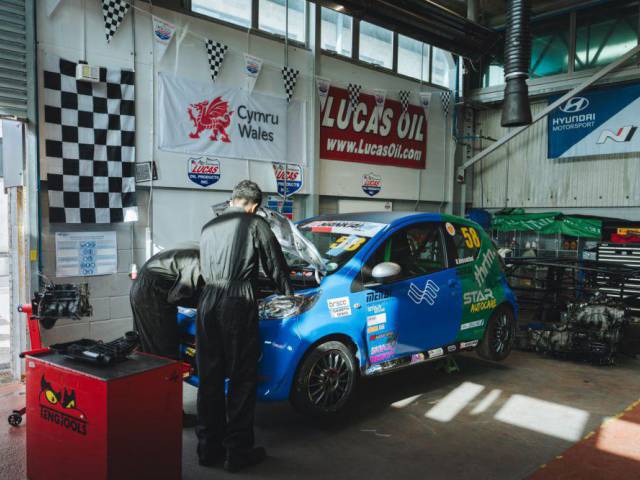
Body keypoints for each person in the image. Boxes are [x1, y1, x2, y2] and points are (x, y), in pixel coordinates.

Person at [196, 180, 293, 472]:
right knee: (242, 376)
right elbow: (274, 264)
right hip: (236, 301)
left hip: (208, 301)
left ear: (233, 199)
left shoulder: (208, 226)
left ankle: (207, 448)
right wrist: (289, 294)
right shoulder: (255, 223)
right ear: (254, 205)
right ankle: (237, 452)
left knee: (210, 376)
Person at [129, 246, 203, 427]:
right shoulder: (199, 261)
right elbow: (178, 295)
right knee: (165, 358)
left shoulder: (196, 250)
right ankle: (172, 417)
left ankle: (148, 409)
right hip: (152, 296)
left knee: (148, 354)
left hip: (142, 290)